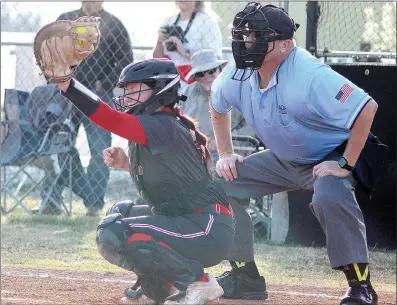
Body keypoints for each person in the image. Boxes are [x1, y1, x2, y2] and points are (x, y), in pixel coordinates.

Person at [210, 3, 379, 305]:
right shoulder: (238, 70)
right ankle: (245, 278)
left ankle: (360, 286)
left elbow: (366, 107)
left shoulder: (309, 74)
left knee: (330, 194)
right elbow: (217, 105)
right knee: (219, 185)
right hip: (282, 158)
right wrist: (225, 153)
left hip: (328, 155)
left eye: (259, 36)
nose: (248, 42)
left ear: (285, 45)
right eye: (247, 35)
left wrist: (344, 163)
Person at [56, 58, 234, 305]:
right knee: (120, 212)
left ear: (160, 89)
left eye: (135, 88)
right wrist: (127, 163)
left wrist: (68, 85)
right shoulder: (162, 123)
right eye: (126, 88)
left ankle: (199, 280)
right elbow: (171, 176)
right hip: (190, 219)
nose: (127, 94)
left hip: (205, 227)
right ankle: (157, 289)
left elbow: (111, 119)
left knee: (115, 230)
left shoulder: (162, 123)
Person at [56, 0, 134, 216]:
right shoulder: (67, 18)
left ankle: (93, 204)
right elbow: (52, 50)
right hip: (67, 93)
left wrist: (105, 83)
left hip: (99, 97)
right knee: (59, 145)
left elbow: (126, 62)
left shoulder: (114, 24)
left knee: (100, 149)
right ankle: (53, 199)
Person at [26, 84, 97, 215]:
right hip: (46, 149)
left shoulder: (27, 109)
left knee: (65, 155)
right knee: (67, 156)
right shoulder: (56, 99)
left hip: (24, 151)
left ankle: (50, 202)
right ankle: (91, 202)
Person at [182, 49, 256, 165]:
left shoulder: (236, 90)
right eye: (200, 74)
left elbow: (252, 125)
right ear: (195, 77)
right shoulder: (188, 93)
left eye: (211, 71)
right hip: (193, 151)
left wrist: (222, 141)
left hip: (231, 151)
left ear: (220, 70)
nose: (206, 77)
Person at [153, 1, 222, 90]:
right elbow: (157, 57)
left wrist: (184, 52)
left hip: (197, 78)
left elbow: (215, 58)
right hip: (169, 78)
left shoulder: (207, 21)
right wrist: (159, 42)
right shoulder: (168, 21)